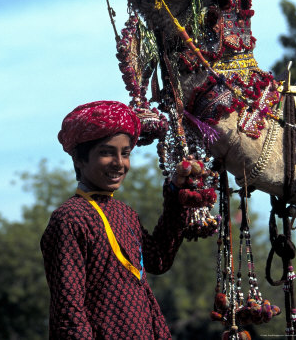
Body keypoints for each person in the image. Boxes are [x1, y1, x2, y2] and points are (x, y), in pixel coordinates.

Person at [40, 100, 189, 339]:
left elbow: (158, 260)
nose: (119, 163)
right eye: (106, 152)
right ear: (79, 159)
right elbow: (69, 311)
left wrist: (177, 195)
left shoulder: (125, 213)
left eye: (125, 153)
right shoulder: (70, 218)